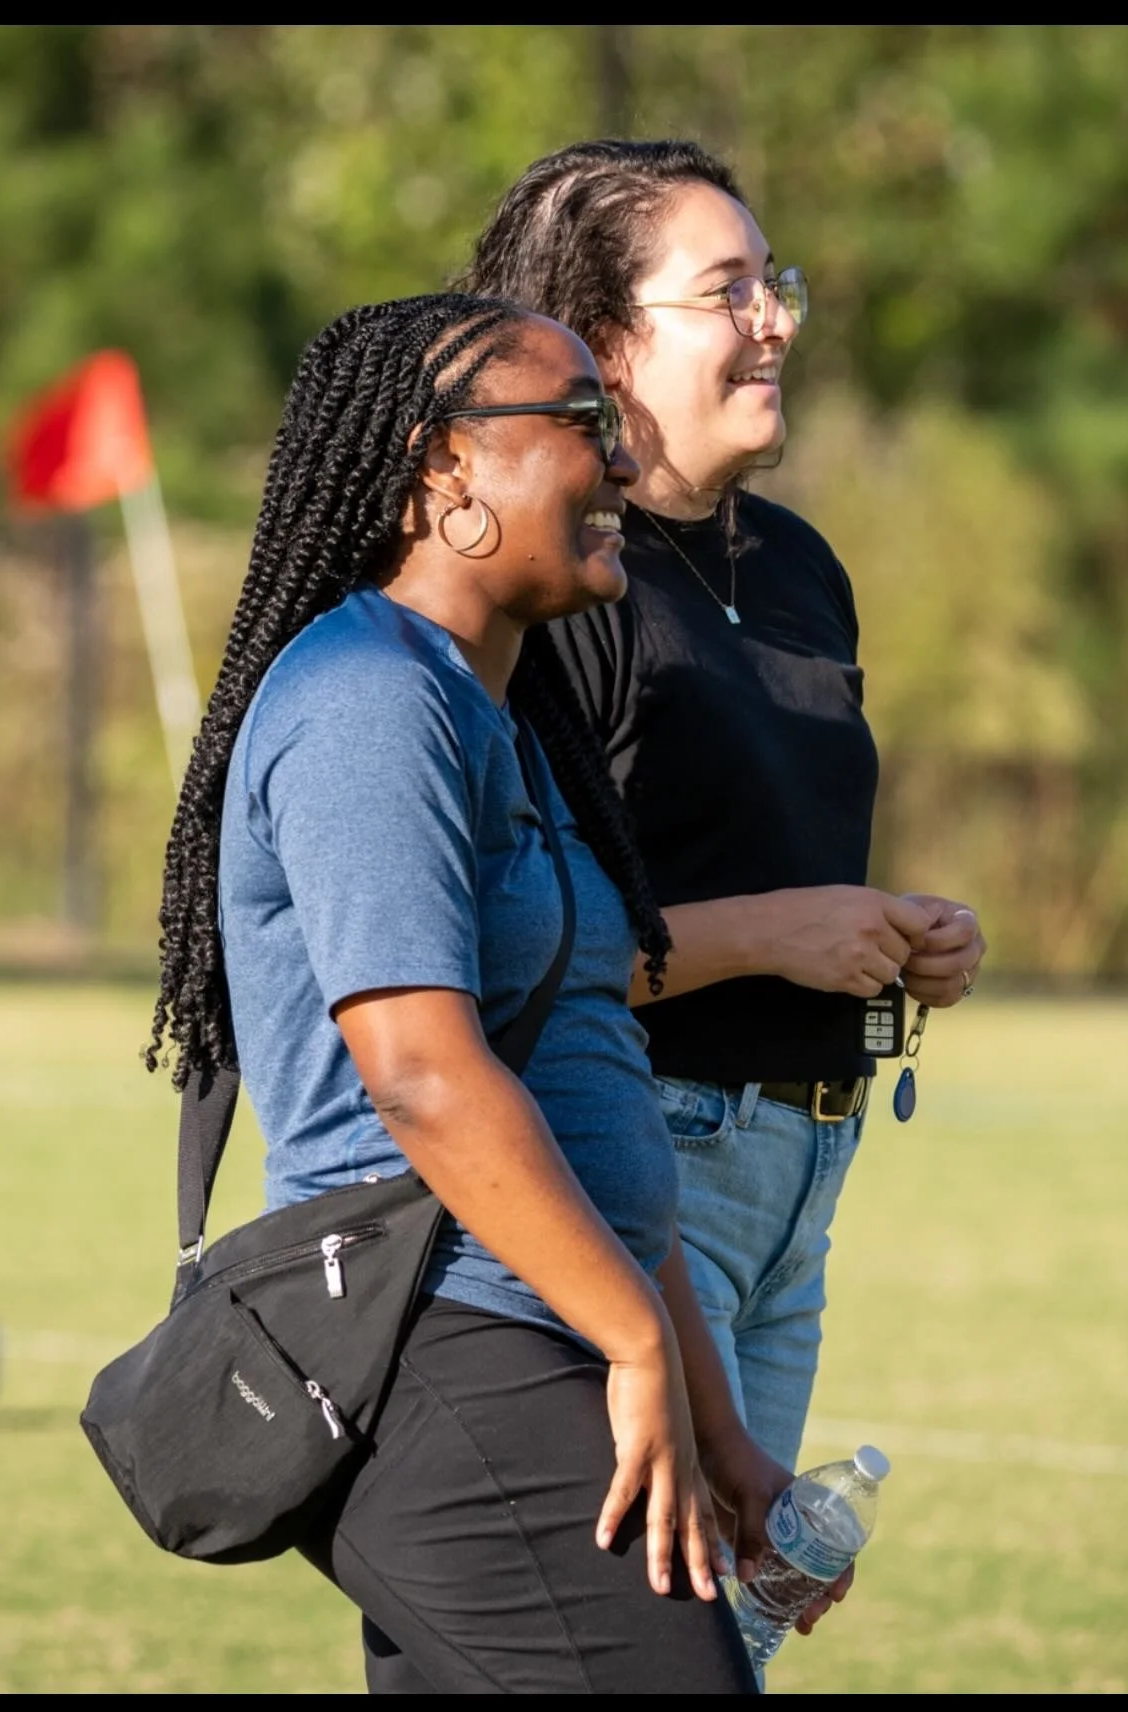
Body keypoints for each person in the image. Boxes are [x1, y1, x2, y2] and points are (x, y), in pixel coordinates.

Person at [144, 291, 794, 1693]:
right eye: (579, 425)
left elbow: (578, 1086)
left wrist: (710, 1409)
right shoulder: (369, 700)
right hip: (446, 1340)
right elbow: (424, 1077)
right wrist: (630, 1345)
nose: (623, 463)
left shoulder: (493, 715)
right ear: (444, 468)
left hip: (529, 1333)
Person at [466, 141, 988, 1574]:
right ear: (606, 336)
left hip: (804, 1175)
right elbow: (514, 950)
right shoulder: (564, 580)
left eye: (780, 286)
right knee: (644, 1630)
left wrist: (899, 938)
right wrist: (773, 933)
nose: (777, 321)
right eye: (729, 290)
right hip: (642, 1161)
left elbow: (780, 859)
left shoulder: (805, 563)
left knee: (732, 1625)